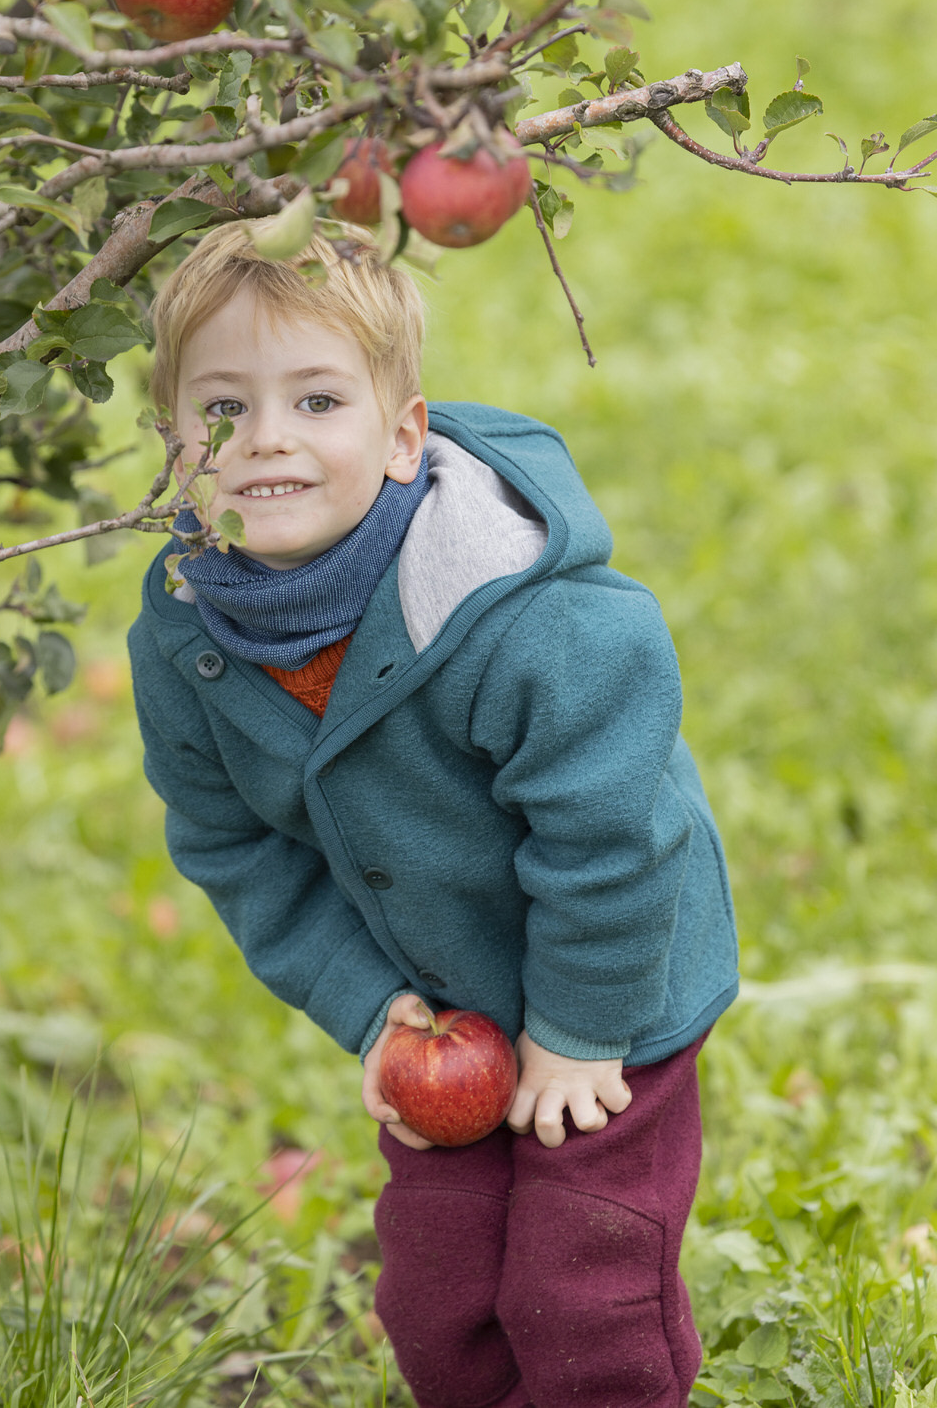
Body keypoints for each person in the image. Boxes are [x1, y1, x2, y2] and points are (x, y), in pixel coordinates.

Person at [128, 218, 739, 1408]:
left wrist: (579, 1025)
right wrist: (368, 1007)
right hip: (440, 1015)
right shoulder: (186, 641)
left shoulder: (525, 618)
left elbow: (609, 838)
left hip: (613, 992)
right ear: (169, 442)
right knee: (436, 1289)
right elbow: (232, 845)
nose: (263, 440)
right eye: (220, 409)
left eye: (316, 400)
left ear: (405, 435)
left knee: (582, 1282)